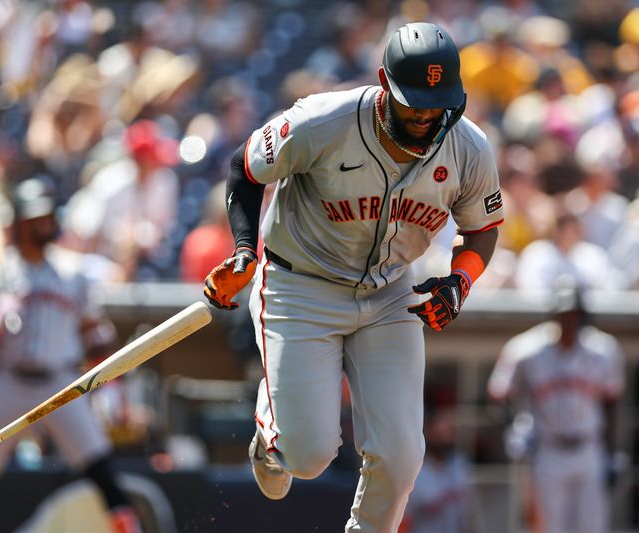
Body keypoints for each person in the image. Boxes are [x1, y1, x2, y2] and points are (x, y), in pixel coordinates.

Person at [202, 22, 504, 532]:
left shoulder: (469, 148)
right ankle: (271, 439)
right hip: (302, 285)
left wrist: (459, 283)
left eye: (438, 102)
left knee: (402, 453)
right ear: (385, 83)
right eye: (415, 103)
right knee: (309, 456)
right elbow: (246, 168)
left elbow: (483, 229)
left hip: (391, 291)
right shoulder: (324, 120)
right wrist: (246, 250)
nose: (428, 114)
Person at [0, 176, 142, 533]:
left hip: (61, 384)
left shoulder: (73, 271)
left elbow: (93, 333)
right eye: (36, 219)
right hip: (9, 382)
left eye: (48, 218)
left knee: (100, 468)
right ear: (20, 224)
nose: (45, 225)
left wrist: (114, 388)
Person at [487, 285, 624, 533]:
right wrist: (515, 426)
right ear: (553, 316)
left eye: (574, 314)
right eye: (563, 314)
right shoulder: (527, 349)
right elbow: (499, 392)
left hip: (589, 449)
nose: (569, 320)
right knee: (548, 527)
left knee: (593, 527)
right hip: (548, 450)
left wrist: (611, 452)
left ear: (584, 316)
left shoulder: (603, 349)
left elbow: (612, 400)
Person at [400, 405, 479, 533]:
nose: (446, 436)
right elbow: (403, 520)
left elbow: (469, 514)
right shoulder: (414, 471)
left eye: (450, 432)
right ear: (427, 431)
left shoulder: (459, 463)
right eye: (440, 432)